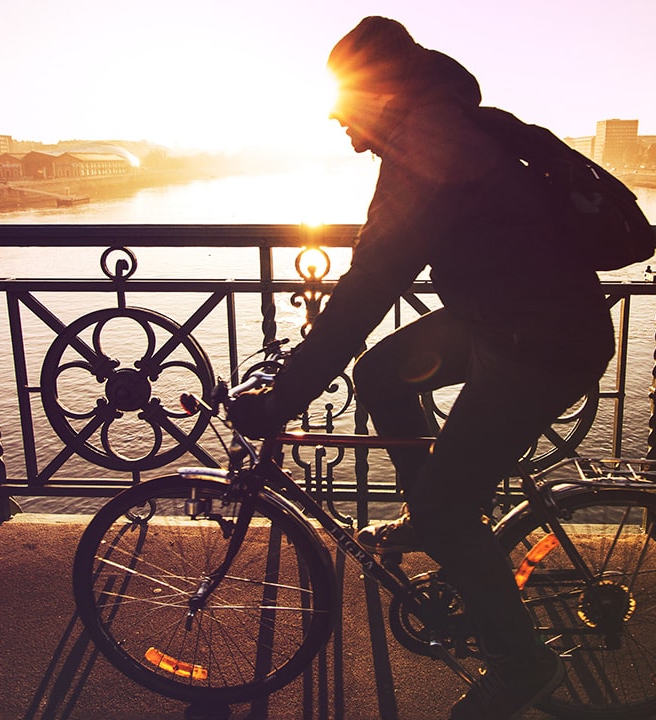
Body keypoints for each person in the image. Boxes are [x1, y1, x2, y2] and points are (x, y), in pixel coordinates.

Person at [230, 16, 614, 720]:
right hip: (511, 318)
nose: (343, 133)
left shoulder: (429, 145)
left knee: (446, 508)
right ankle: (435, 515)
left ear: (379, 95)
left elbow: (368, 288)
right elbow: (371, 287)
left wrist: (280, 401)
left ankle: (521, 664)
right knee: (381, 373)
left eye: (344, 113)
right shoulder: (444, 123)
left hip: (542, 342)